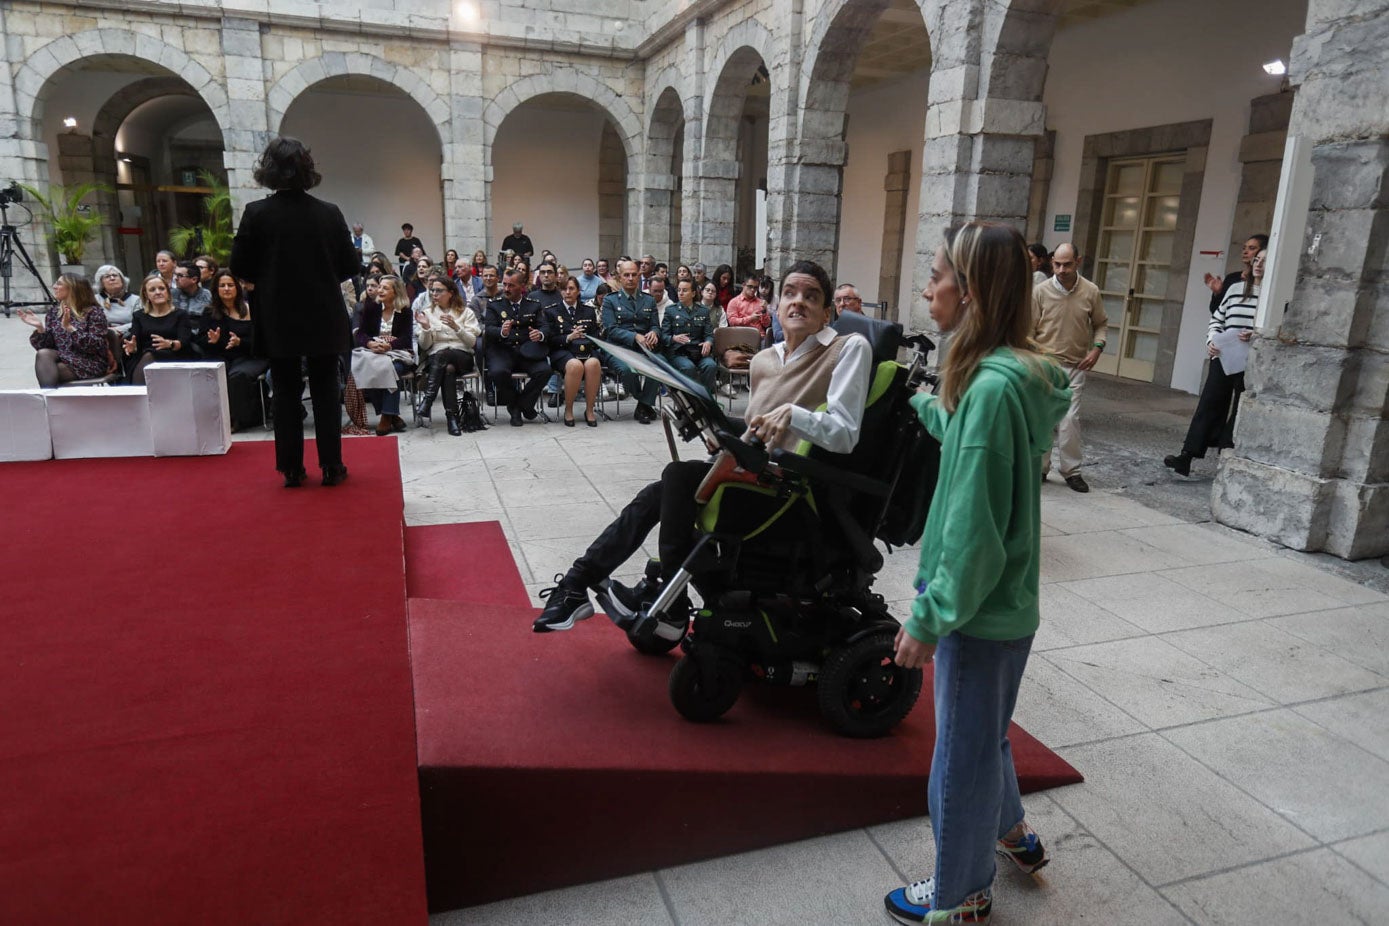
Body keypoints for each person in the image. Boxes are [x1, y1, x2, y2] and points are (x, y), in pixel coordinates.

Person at [883, 222, 1070, 926]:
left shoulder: (991, 391)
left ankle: (962, 890)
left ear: (971, 291)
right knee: (983, 731)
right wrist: (924, 405)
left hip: (977, 610)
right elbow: (973, 435)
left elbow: (972, 532)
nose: (927, 287)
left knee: (959, 757)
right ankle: (1013, 833)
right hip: (1006, 607)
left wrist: (927, 619)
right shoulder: (1008, 376)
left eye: (936, 275)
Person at [534, 260, 872, 633]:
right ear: (777, 305)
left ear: (828, 312)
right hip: (750, 471)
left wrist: (793, 415)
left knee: (675, 480)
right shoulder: (764, 360)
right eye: (790, 293)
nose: (798, 302)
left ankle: (662, 601)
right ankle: (579, 587)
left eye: (812, 296)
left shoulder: (847, 347)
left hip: (791, 490)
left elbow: (844, 433)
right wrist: (711, 424)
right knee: (659, 493)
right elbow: (756, 428)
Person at [229, 136, 359, 487]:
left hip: (278, 313)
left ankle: (291, 469)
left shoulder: (257, 213)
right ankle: (332, 465)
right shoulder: (328, 212)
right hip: (322, 312)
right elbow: (350, 265)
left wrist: (269, 279)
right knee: (325, 389)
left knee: (284, 390)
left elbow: (239, 264)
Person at [1165, 249, 1266, 477]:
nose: (1259, 264)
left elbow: (1277, 330)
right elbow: (1218, 318)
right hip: (1224, 353)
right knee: (1210, 402)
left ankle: (1226, 455)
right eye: (1257, 260)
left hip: (1251, 360)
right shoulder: (1235, 289)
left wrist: (1256, 334)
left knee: (1241, 406)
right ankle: (1187, 456)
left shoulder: (1273, 297)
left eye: (1265, 261)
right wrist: (1211, 341)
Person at [1030, 242, 1106, 493]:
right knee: (1042, 420)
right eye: (1057, 264)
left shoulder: (1090, 291)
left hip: (1074, 366)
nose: (1062, 269)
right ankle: (1039, 469)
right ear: (1051, 262)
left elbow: (1101, 324)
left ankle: (1071, 471)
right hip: (1044, 365)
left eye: (1067, 264)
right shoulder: (1040, 291)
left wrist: (1097, 348)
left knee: (1069, 420)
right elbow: (1028, 330)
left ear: (1078, 261)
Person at [200, 270, 269, 432]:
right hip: (221, 355)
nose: (226, 289)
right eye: (222, 285)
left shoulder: (252, 309)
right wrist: (212, 341)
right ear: (216, 289)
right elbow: (201, 341)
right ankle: (213, 418)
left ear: (238, 287)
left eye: (230, 285)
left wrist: (240, 342)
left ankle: (238, 419)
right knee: (215, 372)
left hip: (251, 356)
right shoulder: (209, 312)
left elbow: (263, 340)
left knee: (237, 376)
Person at [414, 273, 481, 435]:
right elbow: (425, 345)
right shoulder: (426, 313)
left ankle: (428, 400)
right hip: (437, 360)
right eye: (432, 291)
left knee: (445, 354)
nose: (434, 294)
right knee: (448, 369)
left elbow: (472, 343)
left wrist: (456, 327)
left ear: (451, 292)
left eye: (439, 291)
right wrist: (426, 327)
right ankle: (452, 419)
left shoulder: (466, 312)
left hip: (463, 358)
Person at [484, 267, 551, 426]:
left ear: (522, 286)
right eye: (504, 284)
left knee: (544, 371)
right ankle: (515, 407)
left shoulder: (533, 305)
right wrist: (502, 331)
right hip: (503, 350)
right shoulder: (494, 304)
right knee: (497, 372)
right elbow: (488, 329)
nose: (506, 289)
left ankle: (523, 404)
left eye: (511, 285)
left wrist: (539, 334)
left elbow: (545, 327)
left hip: (527, 351)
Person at [601, 258, 663, 424]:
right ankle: (645, 404)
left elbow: (656, 326)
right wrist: (635, 336)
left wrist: (654, 333)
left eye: (634, 275)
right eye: (626, 275)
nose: (630, 278)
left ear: (639, 276)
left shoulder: (649, 300)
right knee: (628, 370)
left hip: (645, 348)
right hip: (618, 349)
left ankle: (643, 405)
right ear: (620, 277)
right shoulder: (610, 300)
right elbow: (610, 329)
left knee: (660, 364)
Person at [20, 273, 110, 386]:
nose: (54, 286)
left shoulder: (94, 312)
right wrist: (40, 328)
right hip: (63, 357)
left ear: (73, 288)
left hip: (89, 361)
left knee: (50, 372)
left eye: (59, 284)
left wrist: (70, 329)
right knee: (43, 355)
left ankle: (47, 399)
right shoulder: (54, 312)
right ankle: (49, 398)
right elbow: (47, 347)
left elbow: (94, 347)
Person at [354, 273, 415, 436]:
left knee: (391, 367)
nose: (379, 290)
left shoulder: (405, 311)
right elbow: (360, 334)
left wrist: (389, 345)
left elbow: (407, 338)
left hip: (397, 352)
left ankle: (386, 418)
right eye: (379, 287)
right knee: (371, 367)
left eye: (385, 288)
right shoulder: (371, 307)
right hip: (373, 351)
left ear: (395, 292)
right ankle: (392, 415)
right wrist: (370, 343)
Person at [545, 275, 602, 427]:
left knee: (594, 364)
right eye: (564, 289)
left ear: (578, 291)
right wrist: (568, 337)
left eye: (571, 289)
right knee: (575, 366)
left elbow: (596, 336)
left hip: (586, 349)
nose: (567, 292)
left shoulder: (588, 311)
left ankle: (590, 410)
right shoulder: (551, 311)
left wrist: (586, 336)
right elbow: (549, 339)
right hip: (562, 351)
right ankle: (568, 410)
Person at [122, 273, 194, 384]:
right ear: (146, 295)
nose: (158, 292)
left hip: (174, 354)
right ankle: (139, 395)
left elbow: (184, 341)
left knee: (150, 355)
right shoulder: (139, 316)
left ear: (168, 293)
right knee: (147, 355)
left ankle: (139, 394)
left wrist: (169, 344)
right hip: (145, 354)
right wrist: (132, 348)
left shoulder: (180, 314)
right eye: (152, 290)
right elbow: (134, 341)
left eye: (161, 288)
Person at [663, 278, 717, 394]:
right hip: (679, 353)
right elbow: (663, 335)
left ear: (693, 293)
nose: (680, 293)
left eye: (685, 290)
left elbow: (709, 334)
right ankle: (689, 400)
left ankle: (704, 399)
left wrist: (708, 342)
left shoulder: (703, 311)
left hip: (699, 352)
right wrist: (673, 338)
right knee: (688, 368)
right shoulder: (671, 311)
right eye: (679, 290)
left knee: (711, 365)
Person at [1205, 233, 1267, 315]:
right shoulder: (1232, 278)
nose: (1245, 252)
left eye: (1251, 248)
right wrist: (1218, 293)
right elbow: (1215, 311)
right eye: (1244, 248)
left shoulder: (1267, 279)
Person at [94, 264, 140, 334]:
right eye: (107, 276)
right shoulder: (95, 299)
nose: (112, 278)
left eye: (115, 275)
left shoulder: (136, 300)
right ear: (101, 283)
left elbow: (140, 322)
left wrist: (117, 330)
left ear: (122, 280)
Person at [725, 272, 772, 338]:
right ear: (743, 285)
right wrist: (750, 319)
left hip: (759, 337)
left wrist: (764, 312)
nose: (753, 290)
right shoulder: (734, 302)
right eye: (750, 286)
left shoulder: (760, 303)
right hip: (740, 336)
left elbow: (767, 324)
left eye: (755, 287)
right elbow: (732, 322)